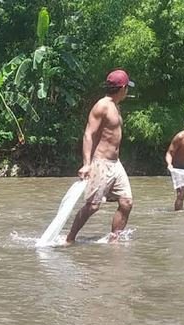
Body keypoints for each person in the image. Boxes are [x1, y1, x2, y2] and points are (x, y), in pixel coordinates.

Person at [65, 69, 134, 244]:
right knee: (93, 206)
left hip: (115, 163)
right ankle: (70, 239)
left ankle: (114, 240)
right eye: (128, 88)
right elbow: (89, 134)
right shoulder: (102, 105)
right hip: (101, 162)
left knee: (126, 202)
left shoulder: (115, 105)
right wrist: (87, 164)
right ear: (123, 88)